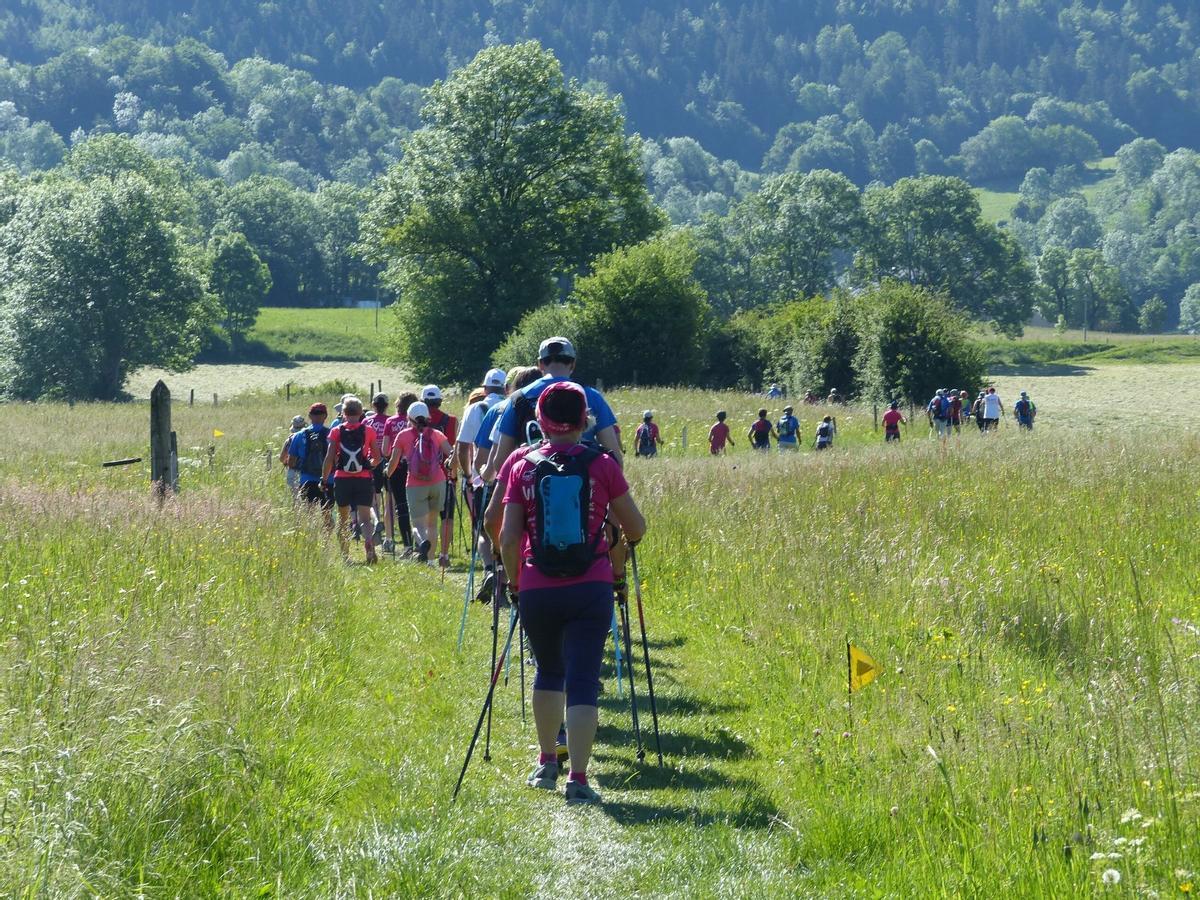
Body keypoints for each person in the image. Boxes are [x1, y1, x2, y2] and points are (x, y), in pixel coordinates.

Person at [496, 382, 646, 805]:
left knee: (548, 671)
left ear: (539, 420)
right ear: (585, 420)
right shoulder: (601, 464)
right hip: (591, 584)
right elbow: (635, 528)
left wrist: (514, 583)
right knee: (582, 678)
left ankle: (546, 763)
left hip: (536, 584)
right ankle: (578, 778)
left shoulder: (521, 465)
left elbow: (508, 537)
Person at [490, 337, 622, 475]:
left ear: (540, 364)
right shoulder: (592, 396)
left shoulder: (518, 398)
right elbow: (615, 458)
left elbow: (500, 463)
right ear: (573, 364)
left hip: (532, 487)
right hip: (584, 487)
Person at [389, 401, 453, 564]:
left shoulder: (403, 435)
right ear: (427, 417)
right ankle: (431, 561)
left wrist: (387, 473)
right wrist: (451, 468)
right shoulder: (437, 434)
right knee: (432, 523)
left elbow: (393, 463)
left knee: (417, 524)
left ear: (409, 418)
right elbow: (451, 454)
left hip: (415, 484)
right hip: (438, 481)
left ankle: (422, 542)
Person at [322, 396, 380, 564]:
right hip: (363, 478)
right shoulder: (368, 430)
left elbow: (329, 458)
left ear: (343, 413)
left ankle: (346, 556)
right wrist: (369, 465)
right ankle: (368, 542)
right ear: (361, 412)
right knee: (365, 519)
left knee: (343, 518)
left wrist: (324, 479)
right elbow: (377, 457)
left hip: (342, 479)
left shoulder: (336, 431)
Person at [421, 385, 459, 568]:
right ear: (440, 400)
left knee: (430, 519)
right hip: (446, 475)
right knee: (447, 517)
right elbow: (453, 449)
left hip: (424, 477)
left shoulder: (417, 422)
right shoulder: (450, 420)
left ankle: (429, 556)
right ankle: (444, 555)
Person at [383, 391, 419, 554]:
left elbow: (385, 450)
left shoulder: (390, 422)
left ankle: (407, 546)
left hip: (397, 467)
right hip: (417, 466)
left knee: (401, 507)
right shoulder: (418, 423)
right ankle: (421, 541)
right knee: (418, 507)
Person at [288, 403, 334, 524]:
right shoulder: (332, 435)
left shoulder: (298, 435)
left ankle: (311, 538)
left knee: (309, 513)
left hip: (306, 479)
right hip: (328, 479)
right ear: (325, 416)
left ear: (309, 416)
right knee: (327, 513)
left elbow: (291, 461)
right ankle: (327, 540)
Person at [364, 393, 391, 545]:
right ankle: (387, 529)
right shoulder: (390, 420)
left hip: (372, 460)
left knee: (374, 493)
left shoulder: (367, 421)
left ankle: (377, 520)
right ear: (386, 406)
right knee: (388, 495)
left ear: (373, 405)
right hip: (387, 460)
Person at [280, 415, 305, 492]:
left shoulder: (290, 439)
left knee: (296, 498)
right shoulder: (309, 437)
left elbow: (282, 458)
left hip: (293, 471)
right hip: (308, 472)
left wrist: (286, 462)